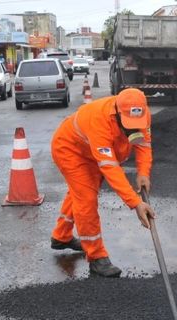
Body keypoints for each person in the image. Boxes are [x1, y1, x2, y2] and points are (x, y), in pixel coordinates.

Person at [49, 88, 155, 278]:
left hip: (90, 151)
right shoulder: (100, 121)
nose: (132, 128)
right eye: (128, 124)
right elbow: (110, 167)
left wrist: (143, 172)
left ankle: (61, 236)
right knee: (86, 198)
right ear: (117, 113)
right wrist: (136, 203)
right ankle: (96, 257)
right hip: (70, 150)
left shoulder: (141, 113)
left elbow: (143, 143)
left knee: (80, 192)